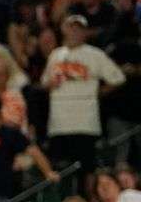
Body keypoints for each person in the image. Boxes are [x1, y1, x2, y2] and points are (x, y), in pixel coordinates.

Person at [41, 15, 124, 187]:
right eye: (71, 28)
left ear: (85, 32)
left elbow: (117, 78)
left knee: (87, 171)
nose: (74, 32)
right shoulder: (56, 55)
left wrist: (99, 92)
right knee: (61, 170)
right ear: (64, 30)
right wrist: (50, 84)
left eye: (79, 29)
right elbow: (44, 83)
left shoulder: (95, 54)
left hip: (85, 122)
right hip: (59, 123)